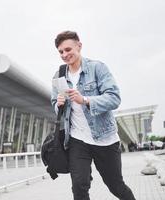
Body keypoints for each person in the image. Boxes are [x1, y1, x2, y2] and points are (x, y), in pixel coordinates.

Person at [51, 31, 136, 200]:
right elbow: (54, 103)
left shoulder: (97, 68)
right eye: (61, 52)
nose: (65, 55)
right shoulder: (59, 75)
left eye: (68, 49)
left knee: (115, 186)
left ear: (79, 46)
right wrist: (58, 104)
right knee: (79, 186)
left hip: (104, 138)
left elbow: (114, 98)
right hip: (77, 139)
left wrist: (86, 100)